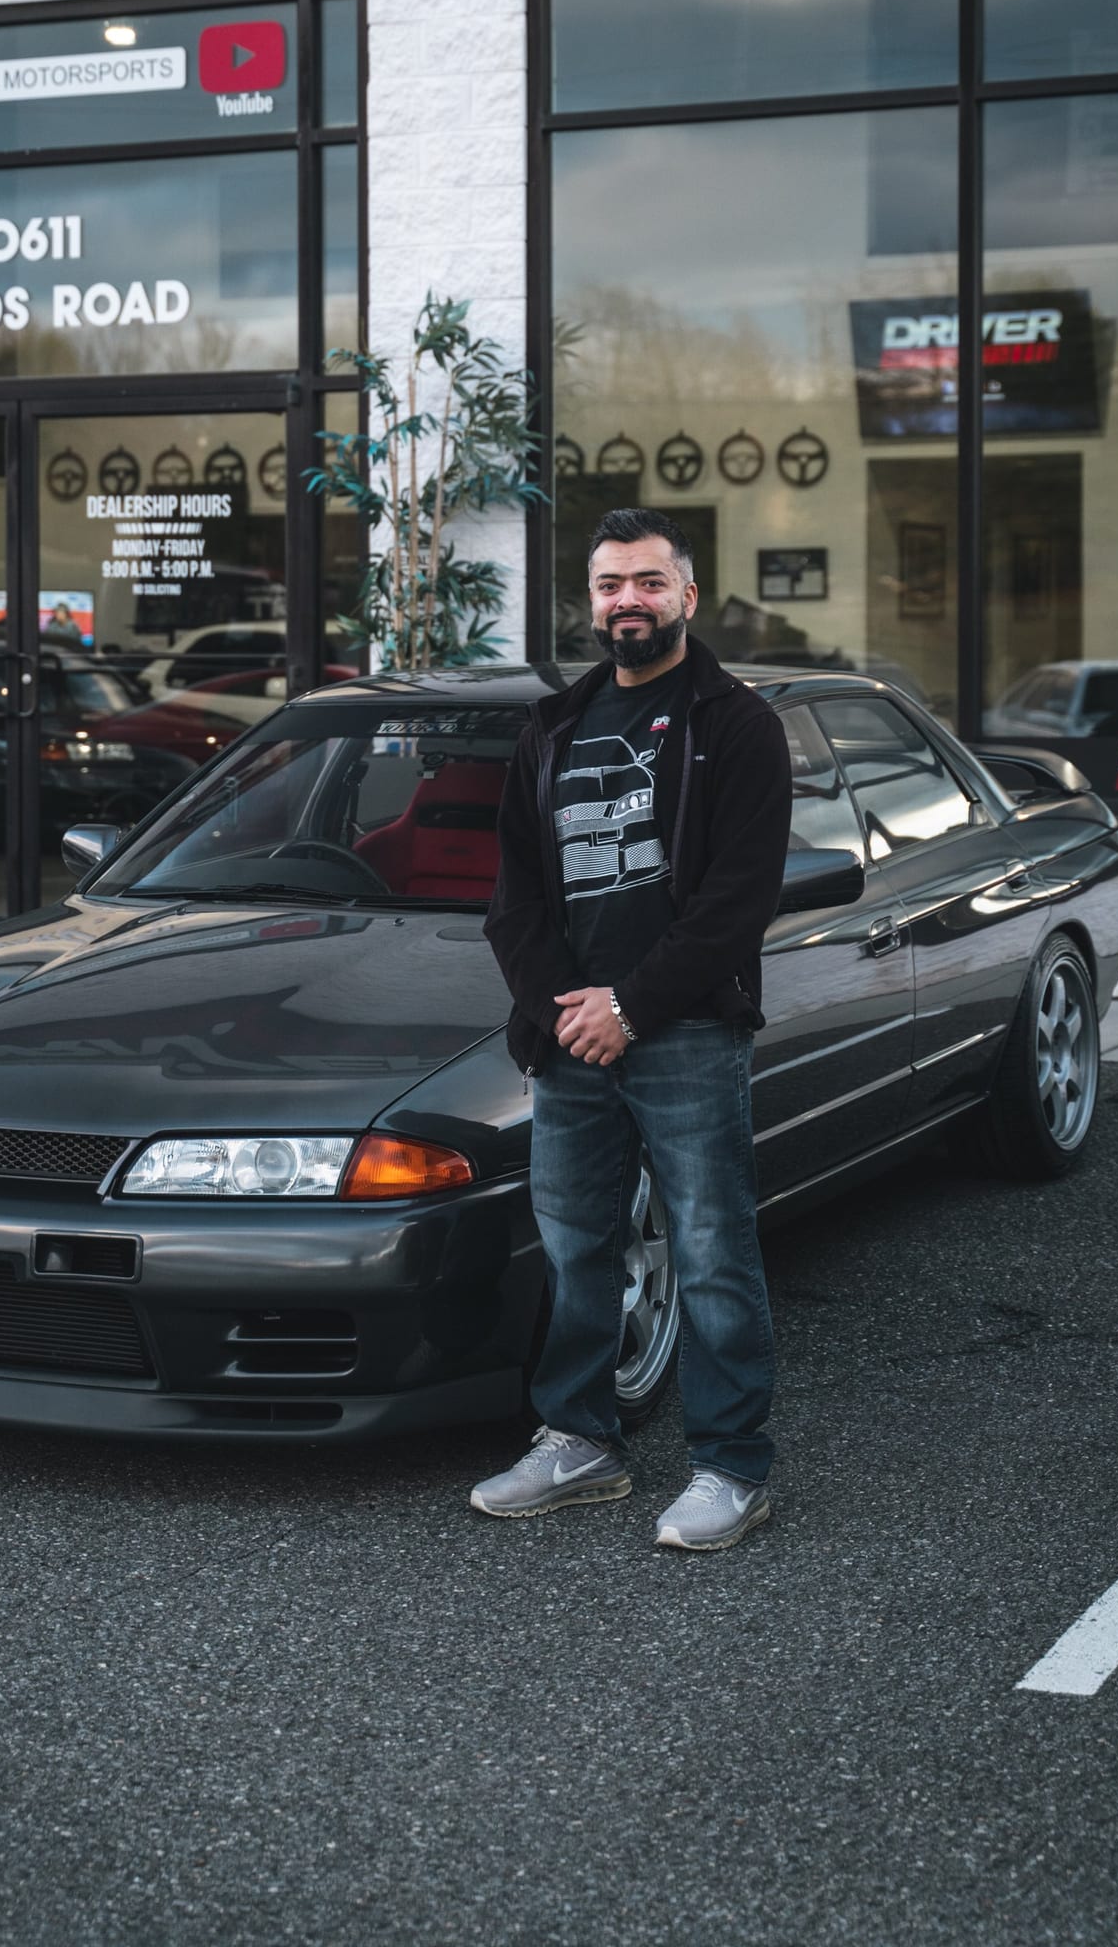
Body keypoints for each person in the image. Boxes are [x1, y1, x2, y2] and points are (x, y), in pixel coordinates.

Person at [476, 507, 793, 1550]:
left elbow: (738, 901)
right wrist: (562, 1009)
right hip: (570, 1038)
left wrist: (631, 1006)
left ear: (686, 596)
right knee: (578, 1250)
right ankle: (581, 1440)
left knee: (710, 1250)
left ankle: (732, 1466)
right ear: (592, 600)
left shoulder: (734, 725)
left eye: (649, 582)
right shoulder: (553, 727)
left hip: (686, 1032)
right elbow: (514, 900)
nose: (628, 600)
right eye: (611, 583)